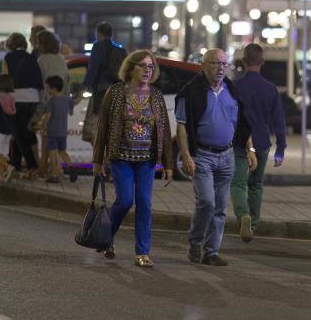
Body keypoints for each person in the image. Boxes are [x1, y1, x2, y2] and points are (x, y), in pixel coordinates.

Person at [92, 50, 174, 267]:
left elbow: (164, 131)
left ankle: (142, 253)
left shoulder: (155, 95)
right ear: (131, 68)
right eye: (143, 66)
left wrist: (168, 163)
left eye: (151, 67)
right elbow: (102, 128)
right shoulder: (116, 92)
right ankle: (106, 236)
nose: (147, 70)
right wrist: (98, 160)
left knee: (145, 204)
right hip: (121, 157)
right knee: (125, 200)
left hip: (147, 160)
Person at [176, 48, 256, 266]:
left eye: (223, 64)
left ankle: (211, 252)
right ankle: (195, 241)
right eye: (215, 63)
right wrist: (186, 155)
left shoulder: (232, 90)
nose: (220, 68)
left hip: (227, 156)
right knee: (206, 203)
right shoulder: (191, 92)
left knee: (220, 207)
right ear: (204, 65)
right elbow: (181, 127)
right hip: (202, 155)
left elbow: (240, 124)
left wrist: (250, 149)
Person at [230, 44, 287, 243]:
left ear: (244, 62)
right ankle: (252, 224)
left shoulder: (235, 86)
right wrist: (281, 148)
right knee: (256, 185)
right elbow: (279, 120)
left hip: (240, 142)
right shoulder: (270, 89)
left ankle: (243, 215)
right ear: (262, 62)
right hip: (262, 142)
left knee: (237, 183)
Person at [2, 32, 43, 176]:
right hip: (33, 98)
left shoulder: (8, 58)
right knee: (26, 132)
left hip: (16, 98)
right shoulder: (32, 58)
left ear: (10, 44)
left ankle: (32, 165)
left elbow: (5, 79)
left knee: (18, 133)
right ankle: (16, 165)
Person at [37, 30, 69, 175]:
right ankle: (56, 167)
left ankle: (45, 168)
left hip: (48, 101)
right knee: (57, 141)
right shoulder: (61, 59)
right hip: (61, 101)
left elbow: (41, 82)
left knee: (47, 137)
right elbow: (67, 82)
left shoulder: (42, 60)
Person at [84, 22, 127, 114]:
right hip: (117, 90)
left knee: (101, 119)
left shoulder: (97, 46)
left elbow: (93, 68)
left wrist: (85, 85)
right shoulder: (120, 50)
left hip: (101, 89)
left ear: (99, 33)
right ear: (111, 34)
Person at [44, 75, 76, 183]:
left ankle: (54, 174)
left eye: (48, 88)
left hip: (53, 131)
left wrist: (43, 125)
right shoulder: (67, 99)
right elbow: (71, 112)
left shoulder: (51, 101)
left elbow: (48, 116)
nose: (47, 90)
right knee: (62, 151)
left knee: (53, 153)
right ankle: (71, 167)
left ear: (53, 88)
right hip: (63, 131)